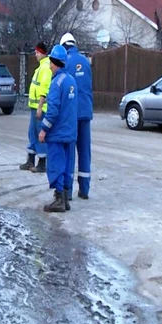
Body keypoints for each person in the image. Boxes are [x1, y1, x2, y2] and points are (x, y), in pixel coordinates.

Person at [39, 45, 77, 213]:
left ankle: (59, 199)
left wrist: (43, 130)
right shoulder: (71, 81)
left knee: (56, 165)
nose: (49, 66)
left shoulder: (56, 83)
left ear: (55, 63)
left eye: (51, 63)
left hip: (57, 134)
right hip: (70, 133)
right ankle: (66, 198)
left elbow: (52, 111)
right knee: (68, 165)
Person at [60, 33, 93, 200]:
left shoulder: (65, 62)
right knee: (85, 150)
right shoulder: (86, 62)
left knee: (69, 151)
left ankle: (67, 190)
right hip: (86, 112)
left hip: (71, 113)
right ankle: (84, 189)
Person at [19, 41, 53, 173]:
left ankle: (42, 162)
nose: (35, 55)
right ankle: (31, 160)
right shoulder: (41, 67)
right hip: (35, 108)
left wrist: (40, 107)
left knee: (40, 135)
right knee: (32, 134)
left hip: (40, 109)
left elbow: (44, 89)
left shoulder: (45, 68)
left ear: (42, 53)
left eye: (37, 52)